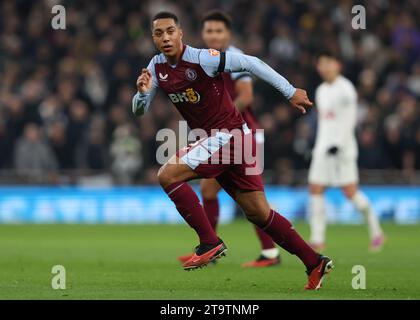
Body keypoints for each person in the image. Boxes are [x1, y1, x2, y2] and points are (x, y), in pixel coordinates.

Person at [133, 11, 333, 290]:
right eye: (158, 33)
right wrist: (142, 94)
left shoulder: (203, 58)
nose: (165, 37)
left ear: (180, 33)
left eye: (170, 31)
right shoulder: (155, 67)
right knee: (259, 213)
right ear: (153, 37)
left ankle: (209, 242)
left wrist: (289, 92)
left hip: (227, 136)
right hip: (234, 139)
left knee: (167, 175)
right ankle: (314, 262)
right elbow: (139, 110)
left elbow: (251, 63)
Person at [176, 10, 280, 268]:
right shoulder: (202, 59)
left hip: (241, 133)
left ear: (228, 34)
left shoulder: (234, 59)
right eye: (209, 31)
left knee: (247, 199)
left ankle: (213, 247)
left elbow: (246, 95)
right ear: (202, 33)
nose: (213, 35)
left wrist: (218, 118)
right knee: (227, 194)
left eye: (218, 31)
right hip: (223, 136)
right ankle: (221, 247)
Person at [308, 51, 385, 252]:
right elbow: (326, 121)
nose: (324, 67)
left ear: (337, 65)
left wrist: (339, 144)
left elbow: (350, 121)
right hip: (323, 147)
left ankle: (376, 232)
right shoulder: (321, 89)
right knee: (315, 188)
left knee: (350, 192)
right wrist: (320, 145)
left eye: (328, 63)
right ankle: (317, 239)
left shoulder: (346, 89)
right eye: (321, 63)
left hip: (343, 148)